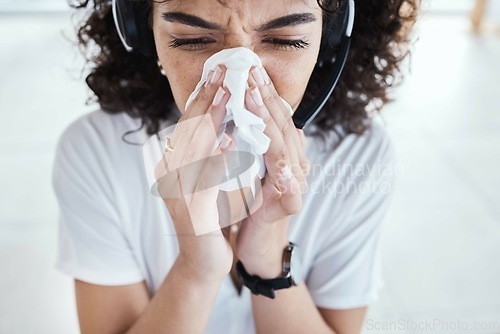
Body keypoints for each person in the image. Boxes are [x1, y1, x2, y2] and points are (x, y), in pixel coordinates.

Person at [52, 0, 419, 333]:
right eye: (192, 39)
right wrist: (197, 267)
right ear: (143, 32)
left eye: (285, 40)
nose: (238, 80)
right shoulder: (95, 152)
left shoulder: (358, 157)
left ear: (329, 39)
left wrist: (268, 256)